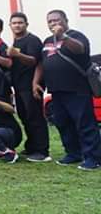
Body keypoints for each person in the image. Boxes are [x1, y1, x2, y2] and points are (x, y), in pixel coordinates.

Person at [34, 10, 101, 170]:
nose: (53, 23)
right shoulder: (47, 41)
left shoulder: (76, 36)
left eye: (56, 20)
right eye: (50, 21)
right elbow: (42, 63)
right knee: (63, 123)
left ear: (65, 20)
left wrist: (63, 36)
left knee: (85, 123)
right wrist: (35, 81)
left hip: (77, 89)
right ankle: (73, 153)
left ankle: (93, 158)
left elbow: (79, 49)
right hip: (56, 90)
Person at [7, 12, 51, 162]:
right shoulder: (16, 41)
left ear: (26, 24)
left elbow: (35, 61)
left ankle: (42, 151)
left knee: (35, 117)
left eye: (20, 23)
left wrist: (17, 55)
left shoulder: (32, 40)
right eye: (14, 23)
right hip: (19, 86)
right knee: (24, 117)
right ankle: (32, 146)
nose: (17, 25)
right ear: (10, 25)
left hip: (31, 85)